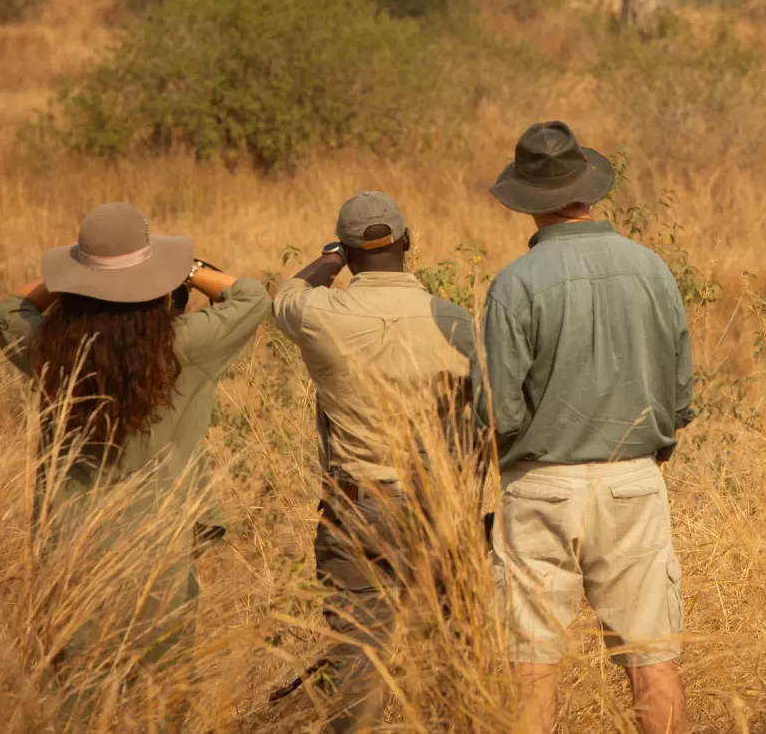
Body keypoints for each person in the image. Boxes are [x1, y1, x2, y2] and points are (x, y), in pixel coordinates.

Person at [0, 202, 270, 672]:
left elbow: (10, 309)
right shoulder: (184, 344)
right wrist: (190, 270)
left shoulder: (49, 349)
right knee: (160, 692)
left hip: (68, 551)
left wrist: (74, 276)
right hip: (160, 551)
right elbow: (251, 297)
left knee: (76, 690)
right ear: (155, 282)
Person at [479, 122, 693, 734]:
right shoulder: (651, 269)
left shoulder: (515, 283)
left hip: (541, 488)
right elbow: (680, 398)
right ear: (587, 185)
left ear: (527, 197)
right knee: (653, 662)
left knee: (531, 668)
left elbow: (500, 413)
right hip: (633, 482)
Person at [271, 191, 480, 732]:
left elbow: (287, 294)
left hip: (359, 503)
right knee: (449, 652)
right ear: (409, 242)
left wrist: (329, 260)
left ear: (347, 251)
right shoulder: (454, 320)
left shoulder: (321, 314)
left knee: (356, 653)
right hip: (440, 503)